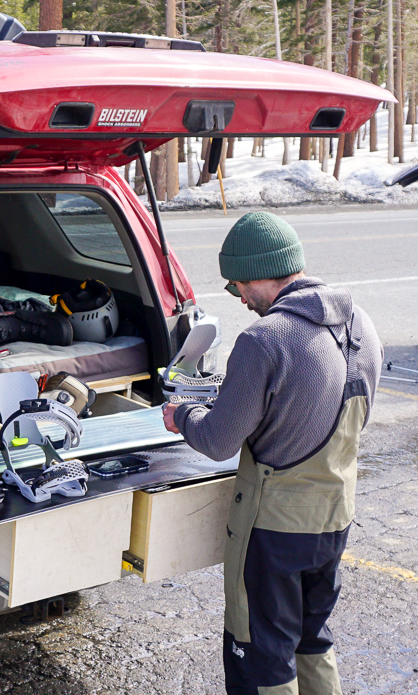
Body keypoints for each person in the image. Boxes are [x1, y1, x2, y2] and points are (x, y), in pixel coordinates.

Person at [162, 211, 382, 695]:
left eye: (237, 284)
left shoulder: (266, 339)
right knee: (311, 639)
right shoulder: (360, 322)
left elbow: (219, 441)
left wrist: (181, 416)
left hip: (276, 529)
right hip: (335, 517)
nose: (239, 298)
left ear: (260, 273)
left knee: (261, 656)